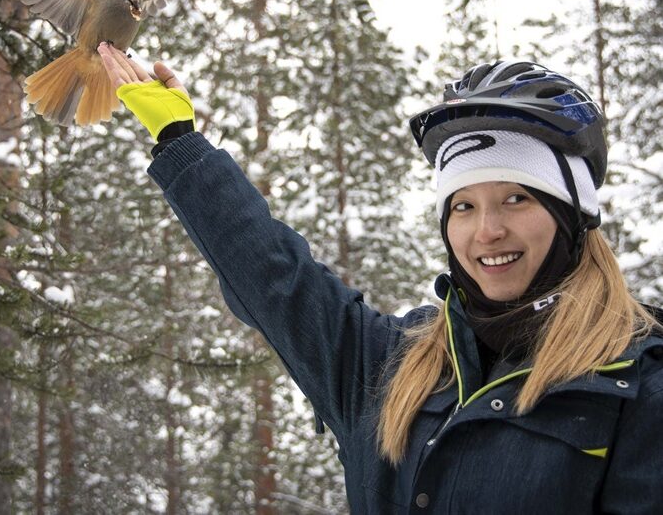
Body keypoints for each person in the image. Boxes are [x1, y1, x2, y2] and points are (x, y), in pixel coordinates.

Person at [98, 43, 663, 514]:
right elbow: (276, 278)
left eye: (515, 198)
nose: (486, 230)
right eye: (462, 206)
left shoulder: (635, 384)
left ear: (572, 216)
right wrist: (180, 141)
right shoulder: (391, 367)